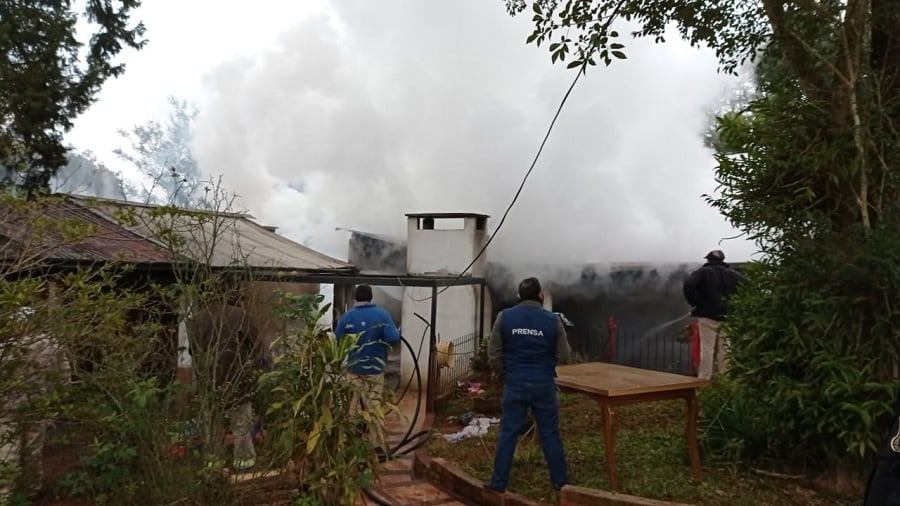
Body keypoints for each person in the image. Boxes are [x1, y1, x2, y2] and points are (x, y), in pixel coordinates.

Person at [485, 277, 571, 494]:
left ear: (519, 296)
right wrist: (546, 365)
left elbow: (493, 353)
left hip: (515, 383)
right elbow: (565, 355)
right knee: (550, 432)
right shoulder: (552, 320)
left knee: (508, 432)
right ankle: (561, 483)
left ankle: (498, 483)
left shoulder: (504, 317)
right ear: (541, 295)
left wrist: (506, 373)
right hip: (543, 384)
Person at [188, 303, 269, 473]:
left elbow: (193, 351)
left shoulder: (197, 320)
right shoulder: (240, 315)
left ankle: (213, 470)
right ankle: (244, 469)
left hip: (209, 384)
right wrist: (261, 371)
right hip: (237, 383)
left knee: (211, 430)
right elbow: (257, 348)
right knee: (241, 429)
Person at [334, 285, 400, 444]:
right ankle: (376, 444)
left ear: (356, 298)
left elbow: (337, 339)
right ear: (371, 297)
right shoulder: (381, 315)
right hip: (374, 369)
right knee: (373, 406)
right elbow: (393, 338)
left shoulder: (348, 316)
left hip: (353, 368)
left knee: (352, 406)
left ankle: (350, 442)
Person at [682, 249, 744, 379]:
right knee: (726, 348)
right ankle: (725, 378)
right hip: (727, 317)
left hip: (706, 316)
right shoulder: (732, 274)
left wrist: (695, 303)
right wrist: (738, 305)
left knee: (707, 348)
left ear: (708, 260)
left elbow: (688, 285)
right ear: (722, 260)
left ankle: (704, 378)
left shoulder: (703, 272)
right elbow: (748, 284)